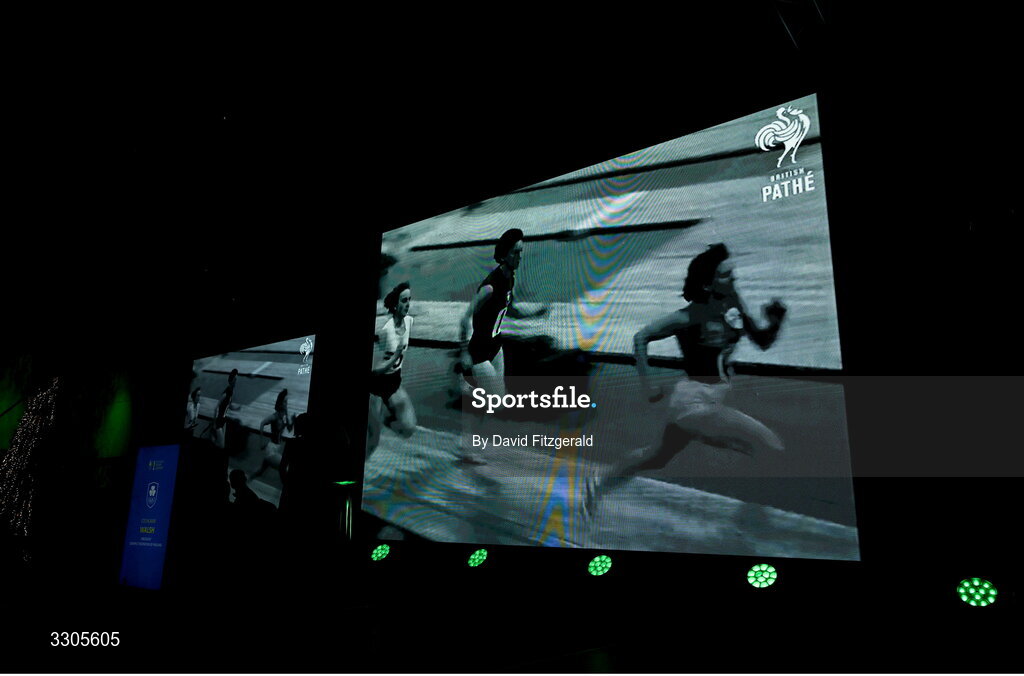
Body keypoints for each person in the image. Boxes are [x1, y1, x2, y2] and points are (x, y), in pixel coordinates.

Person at [603, 243, 787, 485]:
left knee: (657, 458)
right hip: (692, 403)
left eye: (731, 272)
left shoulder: (734, 306)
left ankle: (600, 482)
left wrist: (776, 321)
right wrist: (647, 385)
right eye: (725, 275)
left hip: (710, 399)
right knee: (767, 443)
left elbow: (762, 342)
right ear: (707, 285)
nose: (734, 278)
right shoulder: (689, 317)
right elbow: (641, 337)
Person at [367, 282, 417, 455]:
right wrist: (394, 357)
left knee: (408, 428)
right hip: (375, 387)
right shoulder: (385, 331)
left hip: (394, 382)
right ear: (395, 304)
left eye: (409, 299)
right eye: (404, 300)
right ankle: (373, 420)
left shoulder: (409, 322)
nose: (408, 304)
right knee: (371, 443)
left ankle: (379, 419)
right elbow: (375, 370)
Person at [251, 389, 294, 481]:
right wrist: (261, 442)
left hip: (276, 448)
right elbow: (262, 423)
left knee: (260, 471)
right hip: (271, 451)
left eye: (287, 402)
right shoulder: (275, 416)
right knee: (284, 468)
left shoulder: (284, 416)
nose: (287, 404)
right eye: (285, 402)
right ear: (280, 403)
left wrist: (293, 421)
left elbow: (290, 429)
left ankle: (247, 480)